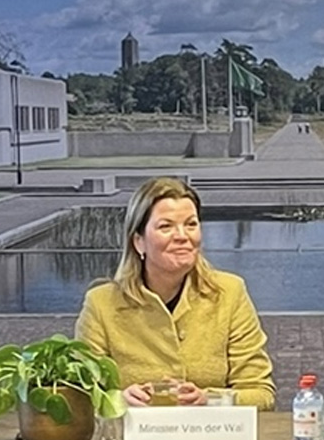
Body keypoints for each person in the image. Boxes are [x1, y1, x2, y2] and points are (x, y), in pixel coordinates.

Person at [75, 176, 276, 410]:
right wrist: (120, 400)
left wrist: (207, 399)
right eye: (166, 226)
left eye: (191, 224)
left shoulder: (229, 293)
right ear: (138, 242)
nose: (182, 236)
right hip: (136, 433)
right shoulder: (101, 304)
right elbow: (79, 397)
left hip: (208, 432)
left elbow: (261, 394)